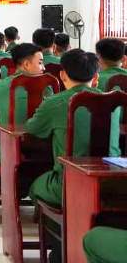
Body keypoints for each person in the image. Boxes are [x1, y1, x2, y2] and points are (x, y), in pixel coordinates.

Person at [26, 49, 121, 209]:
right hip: (111, 184)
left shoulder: (53, 103)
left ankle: (58, 221)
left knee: (35, 187)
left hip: (69, 183)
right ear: (96, 77)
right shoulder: (114, 103)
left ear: (62, 75)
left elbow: (32, 129)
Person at [0, 43, 46, 188]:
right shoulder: (48, 84)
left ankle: (0, 186)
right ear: (26, 64)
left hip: (12, 146)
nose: (43, 68)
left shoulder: (0, 85)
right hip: (44, 147)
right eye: (40, 63)